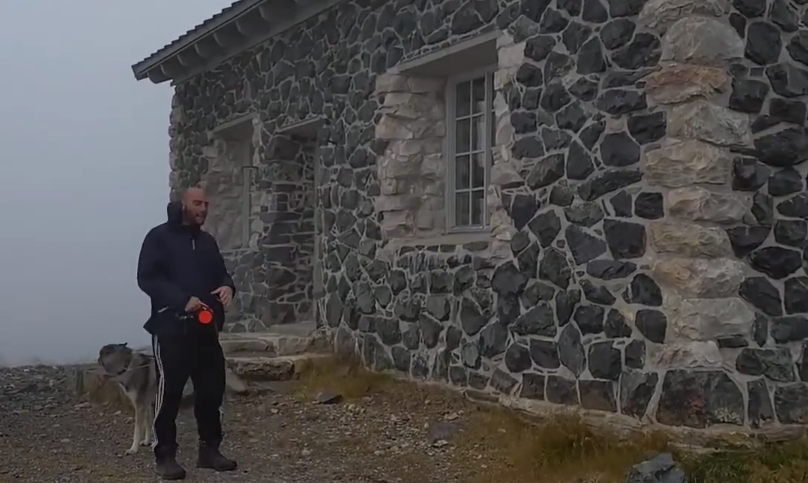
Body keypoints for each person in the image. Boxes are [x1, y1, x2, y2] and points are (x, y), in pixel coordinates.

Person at [136, 187, 237, 480]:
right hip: (171, 329)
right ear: (183, 205)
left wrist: (228, 286)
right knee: (169, 395)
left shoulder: (207, 241)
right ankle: (165, 455)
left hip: (205, 330)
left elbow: (221, 273)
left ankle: (210, 450)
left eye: (205, 204)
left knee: (211, 391)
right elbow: (147, 278)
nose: (203, 209)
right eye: (197, 203)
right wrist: (182, 300)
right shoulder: (158, 237)